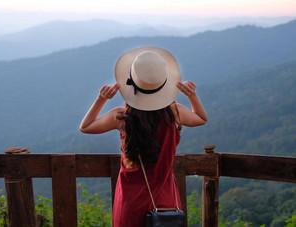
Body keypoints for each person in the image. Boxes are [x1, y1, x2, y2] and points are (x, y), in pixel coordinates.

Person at [80, 46, 207, 227]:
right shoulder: (175, 113)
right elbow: (201, 118)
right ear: (163, 84)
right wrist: (192, 95)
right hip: (165, 201)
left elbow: (86, 126)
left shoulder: (122, 117)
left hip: (130, 202)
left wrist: (101, 98)